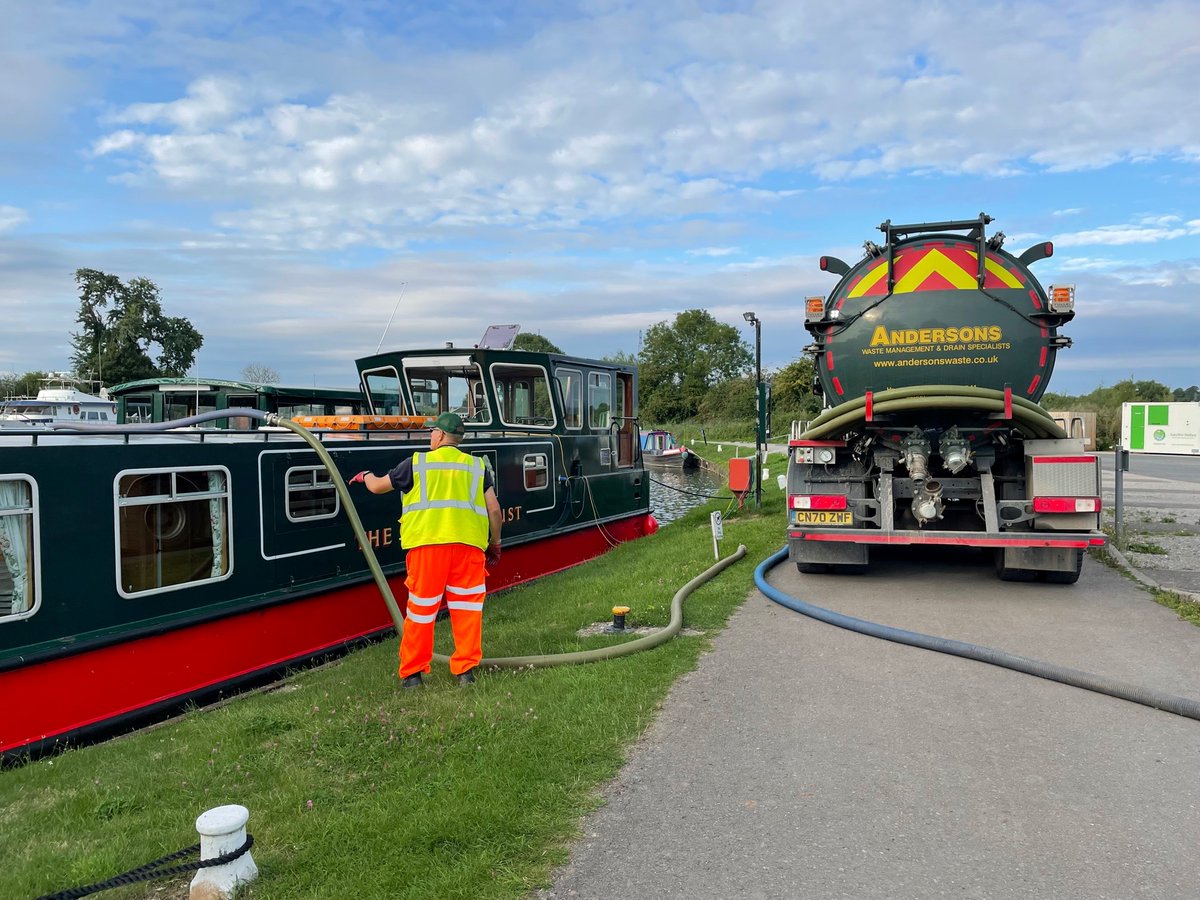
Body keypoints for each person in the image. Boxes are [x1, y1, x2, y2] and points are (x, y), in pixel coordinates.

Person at [350, 411, 503, 688]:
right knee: (467, 611)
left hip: (426, 550)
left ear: (441, 435)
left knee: (421, 612)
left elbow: (377, 487)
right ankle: (465, 672)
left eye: (432, 431)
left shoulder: (416, 464)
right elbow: (494, 509)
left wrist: (365, 475)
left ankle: (412, 675)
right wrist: (495, 543)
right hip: (468, 549)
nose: (430, 435)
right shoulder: (477, 467)